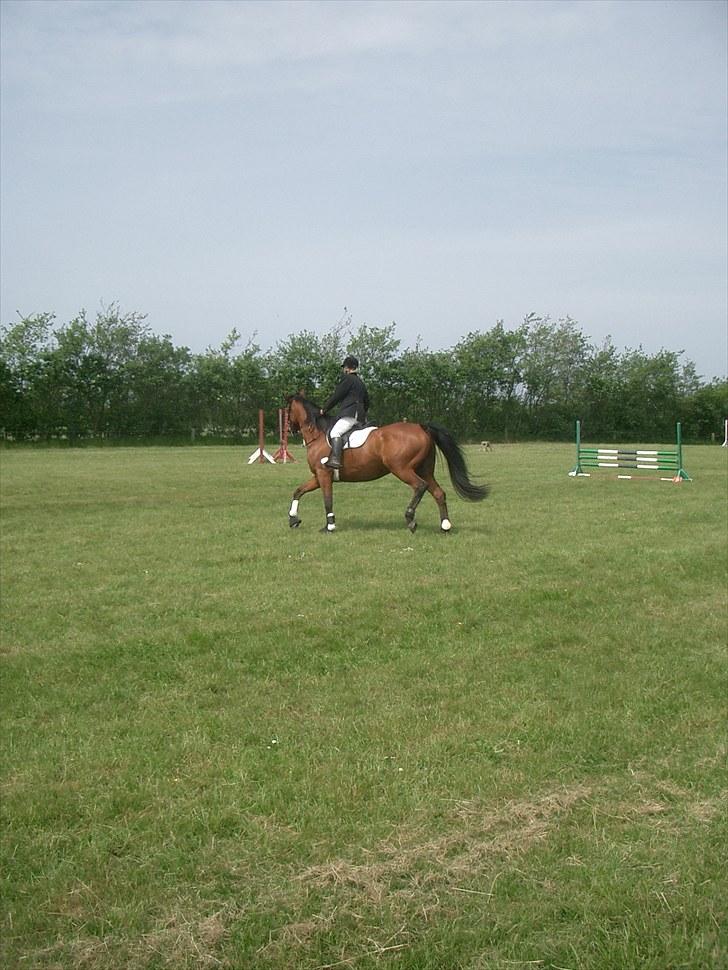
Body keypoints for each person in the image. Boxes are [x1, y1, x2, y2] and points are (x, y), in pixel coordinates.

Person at [320, 355, 370, 469]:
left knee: (335, 433)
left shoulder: (347, 379)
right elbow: (367, 401)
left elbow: (337, 396)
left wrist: (325, 409)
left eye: (344, 368)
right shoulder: (360, 382)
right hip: (360, 416)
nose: (344, 370)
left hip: (350, 413)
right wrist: (362, 414)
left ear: (347, 368)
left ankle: (335, 460)